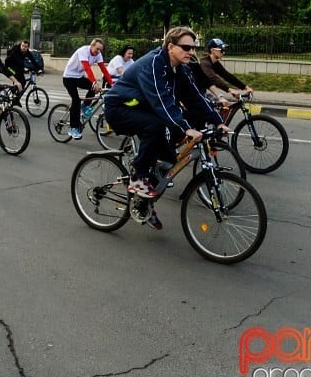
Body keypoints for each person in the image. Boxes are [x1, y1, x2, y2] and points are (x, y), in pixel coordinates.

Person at [103, 27, 227, 229]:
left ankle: (144, 202)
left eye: (194, 48)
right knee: (157, 125)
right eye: (186, 47)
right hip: (119, 108)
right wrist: (186, 128)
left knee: (170, 157)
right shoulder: (153, 64)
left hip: (143, 108)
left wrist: (216, 119)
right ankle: (138, 176)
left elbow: (194, 96)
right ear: (170, 46)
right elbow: (161, 101)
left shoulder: (180, 68)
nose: (191, 52)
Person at [62, 38, 113, 140]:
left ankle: (85, 106)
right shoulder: (83, 51)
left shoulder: (98, 54)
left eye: (100, 50)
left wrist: (112, 84)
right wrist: (94, 82)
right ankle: (73, 128)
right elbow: (87, 68)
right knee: (76, 100)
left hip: (78, 77)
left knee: (93, 88)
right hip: (69, 78)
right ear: (92, 45)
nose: (98, 52)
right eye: (97, 49)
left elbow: (103, 69)